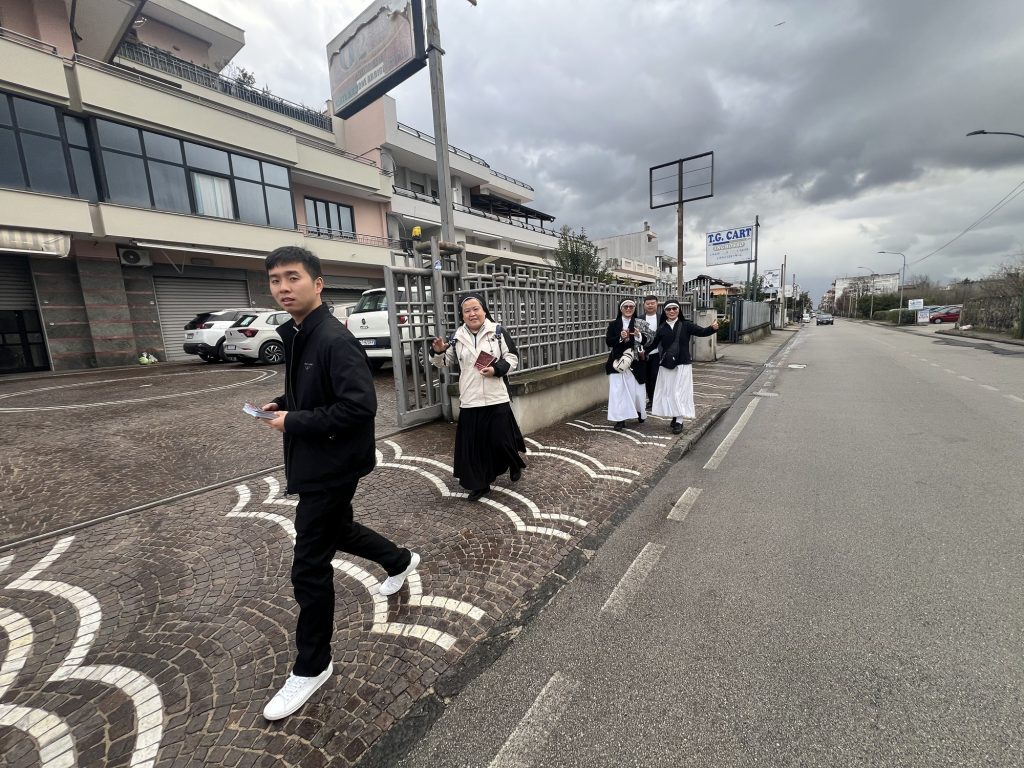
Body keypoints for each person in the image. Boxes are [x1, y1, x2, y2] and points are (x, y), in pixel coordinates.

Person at [257, 246, 420, 721]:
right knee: (339, 530)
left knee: (309, 567)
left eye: (292, 278)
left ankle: (313, 665)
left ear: (318, 283)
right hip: (317, 462)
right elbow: (314, 390)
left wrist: (296, 421)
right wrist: (281, 402)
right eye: (274, 280)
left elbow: (359, 407)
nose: (283, 288)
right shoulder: (299, 333)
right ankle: (400, 559)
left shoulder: (332, 337)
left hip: (330, 466)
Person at [430, 293, 526, 501]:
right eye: (467, 311)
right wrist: (437, 352)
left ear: (484, 310)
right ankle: (480, 484)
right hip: (470, 398)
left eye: (476, 309)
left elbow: (512, 358)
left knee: (501, 440)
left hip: (495, 397)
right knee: (474, 447)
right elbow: (444, 363)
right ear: (462, 315)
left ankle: (513, 462)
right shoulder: (457, 337)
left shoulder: (497, 332)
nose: (472, 314)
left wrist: (496, 369)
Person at [650, 298, 719, 434]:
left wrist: (712, 328)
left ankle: (679, 421)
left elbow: (702, 332)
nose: (672, 311)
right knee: (670, 392)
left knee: (680, 392)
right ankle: (675, 415)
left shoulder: (686, 325)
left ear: (679, 310)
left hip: (682, 364)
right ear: (665, 312)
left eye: (674, 308)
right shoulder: (662, 328)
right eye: (669, 309)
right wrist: (640, 345)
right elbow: (652, 345)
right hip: (667, 365)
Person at [605, 299, 653, 430]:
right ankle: (620, 419)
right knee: (618, 392)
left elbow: (649, 340)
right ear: (621, 309)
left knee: (637, 392)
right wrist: (620, 337)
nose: (628, 308)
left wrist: (639, 336)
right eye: (625, 306)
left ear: (634, 308)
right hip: (618, 362)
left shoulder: (640, 323)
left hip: (636, 362)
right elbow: (609, 341)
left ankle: (639, 412)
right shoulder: (614, 324)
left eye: (631, 306)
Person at [639, 295, 661, 408]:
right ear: (644, 305)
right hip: (643, 353)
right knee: (646, 378)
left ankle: (656, 399)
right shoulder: (639, 319)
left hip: (658, 353)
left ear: (657, 304)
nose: (650, 305)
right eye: (648, 303)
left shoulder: (662, 318)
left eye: (653, 303)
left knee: (655, 377)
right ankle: (651, 400)